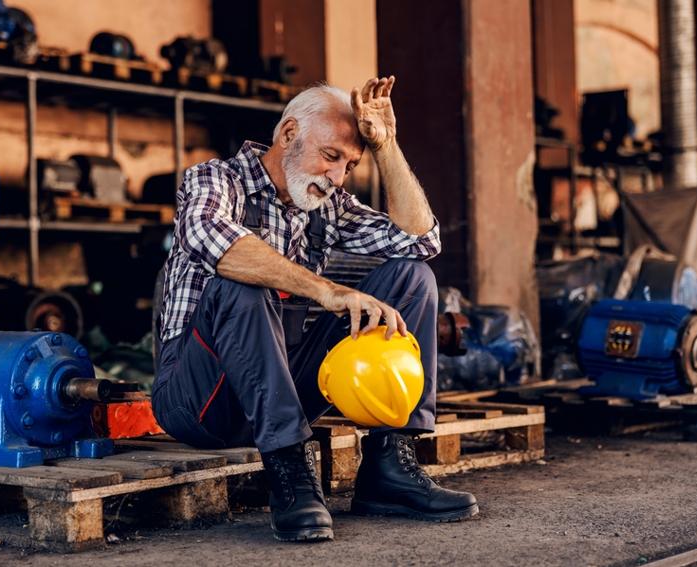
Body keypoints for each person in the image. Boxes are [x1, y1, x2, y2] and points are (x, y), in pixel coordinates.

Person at [152, 76, 478, 542]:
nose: (338, 177)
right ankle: (291, 471)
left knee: (411, 277)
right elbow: (214, 241)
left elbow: (421, 240)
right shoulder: (216, 178)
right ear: (288, 135)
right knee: (240, 284)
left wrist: (386, 146)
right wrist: (328, 292)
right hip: (201, 398)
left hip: (280, 384)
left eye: (349, 164)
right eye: (330, 157)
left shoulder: (328, 204)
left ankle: (391, 466)